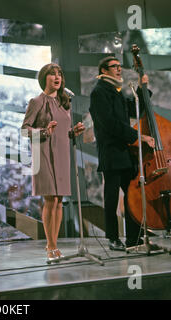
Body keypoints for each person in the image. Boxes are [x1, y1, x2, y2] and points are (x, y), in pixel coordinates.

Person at [89, 56, 155, 251]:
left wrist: (143, 90)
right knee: (111, 197)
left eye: (119, 66)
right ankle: (112, 238)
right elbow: (110, 124)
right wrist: (139, 137)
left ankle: (133, 238)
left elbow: (133, 111)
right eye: (114, 66)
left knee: (133, 195)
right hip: (111, 153)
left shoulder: (115, 91)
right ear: (104, 69)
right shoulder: (99, 92)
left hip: (124, 153)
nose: (119, 69)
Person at [22, 63, 85, 261]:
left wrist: (73, 132)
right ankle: (51, 247)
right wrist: (43, 131)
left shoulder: (64, 102)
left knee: (59, 200)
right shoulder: (36, 101)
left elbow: (63, 130)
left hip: (62, 153)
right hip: (44, 153)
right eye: (52, 74)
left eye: (59, 74)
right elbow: (24, 130)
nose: (57, 77)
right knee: (50, 199)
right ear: (44, 78)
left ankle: (54, 244)